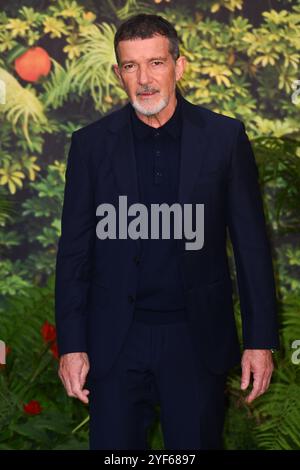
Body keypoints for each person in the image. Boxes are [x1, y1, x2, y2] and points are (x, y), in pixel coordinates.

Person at [55, 13, 279, 450]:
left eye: (156, 63)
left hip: (196, 340)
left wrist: (259, 340)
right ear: (118, 73)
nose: (144, 79)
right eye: (131, 66)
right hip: (115, 342)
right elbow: (74, 253)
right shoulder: (91, 145)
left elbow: (251, 246)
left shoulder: (224, 138)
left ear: (180, 66)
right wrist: (72, 345)